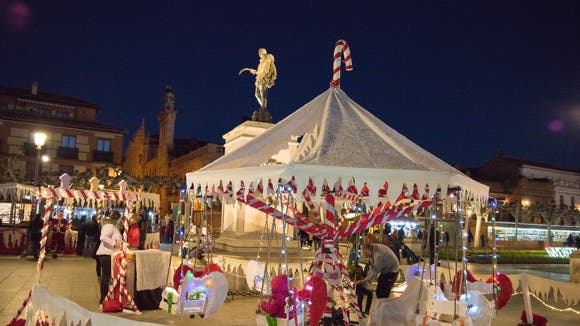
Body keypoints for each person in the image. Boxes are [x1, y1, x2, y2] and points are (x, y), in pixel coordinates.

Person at [95, 212, 123, 308]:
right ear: (118, 219)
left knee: (107, 277)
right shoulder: (109, 226)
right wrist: (114, 243)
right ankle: (103, 298)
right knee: (106, 277)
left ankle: (106, 297)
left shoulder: (112, 227)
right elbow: (103, 237)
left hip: (109, 254)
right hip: (106, 254)